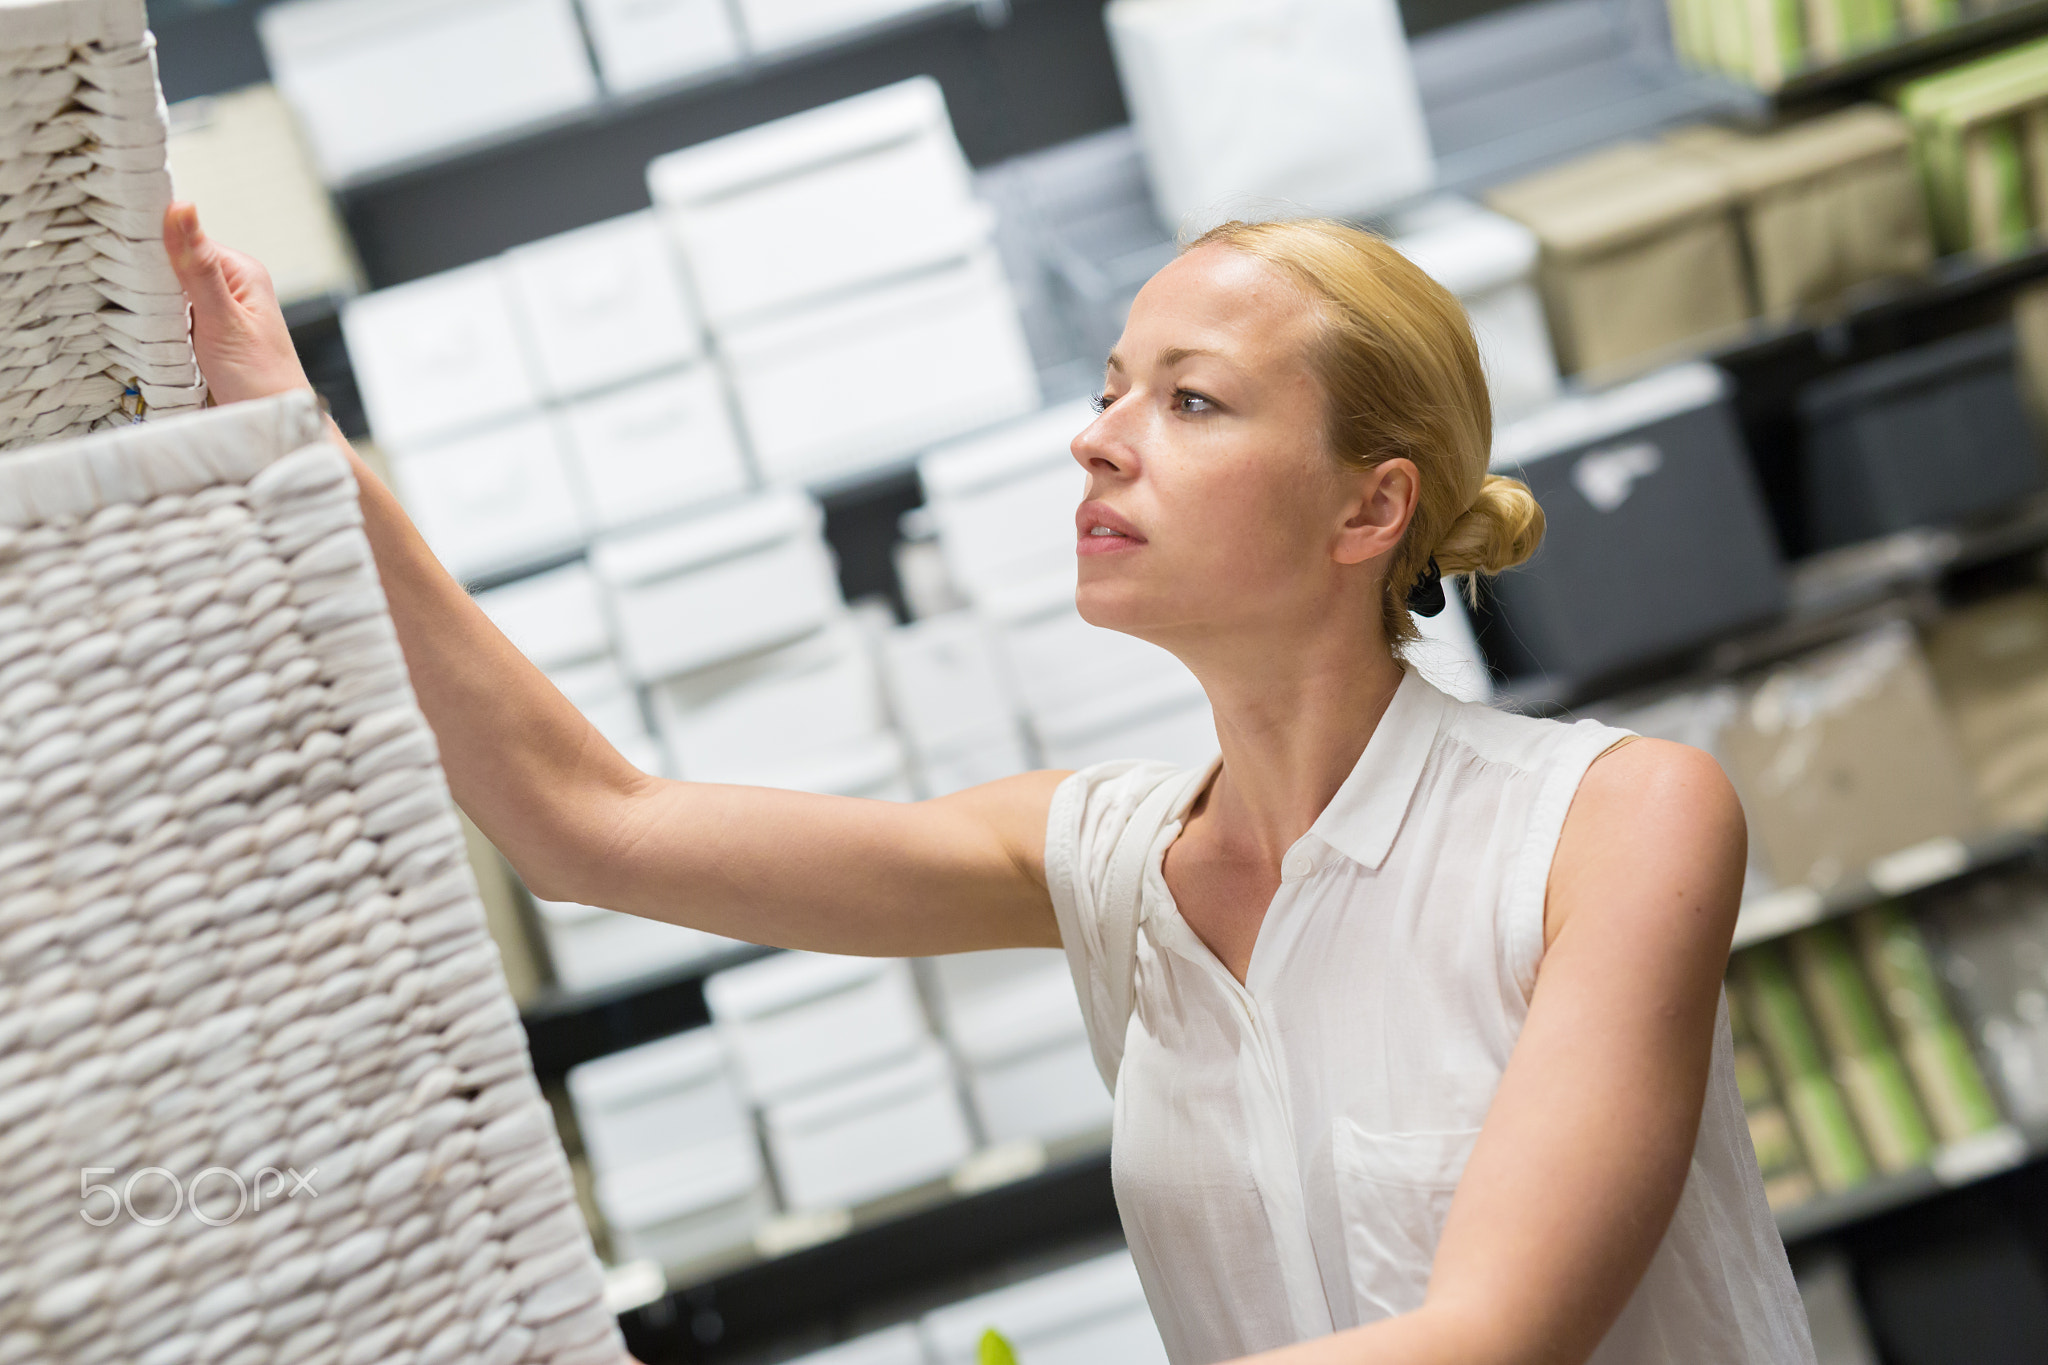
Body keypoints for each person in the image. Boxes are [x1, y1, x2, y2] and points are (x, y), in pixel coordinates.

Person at [163, 200, 1815, 1365]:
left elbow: (1491, 1337)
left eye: (1189, 398)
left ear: (1368, 510)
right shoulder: (1099, 857)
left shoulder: (1614, 819)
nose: (1097, 438)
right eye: (1110, 387)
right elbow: (594, 828)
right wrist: (292, 433)